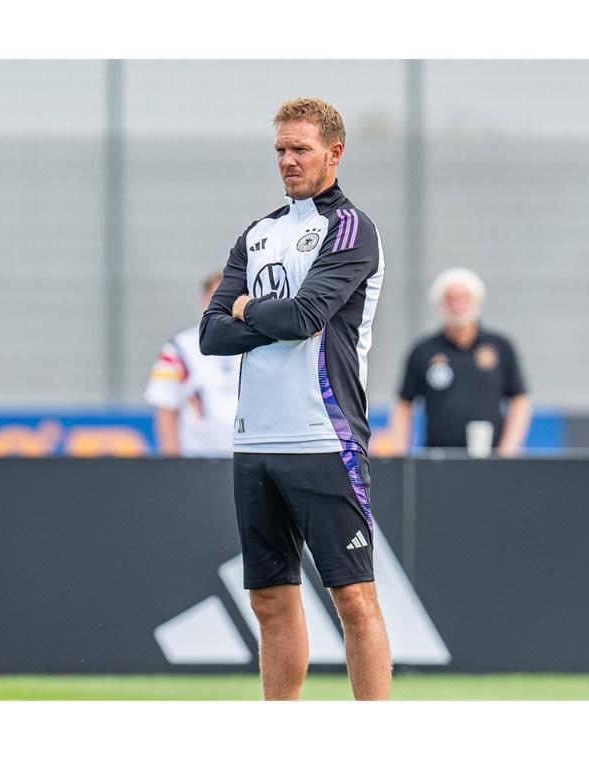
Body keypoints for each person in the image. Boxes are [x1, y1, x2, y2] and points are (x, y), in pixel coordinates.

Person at [199, 97, 390, 700]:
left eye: (300, 148)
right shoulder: (256, 234)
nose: (287, 160)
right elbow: (210, 334)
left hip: (322, 435)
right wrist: (267, 317)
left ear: (334, 153)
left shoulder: (350, 228)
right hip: (255, 439)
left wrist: (248, 307)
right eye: (280, 149)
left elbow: (307, 315)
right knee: (269, 599)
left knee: (353, 598)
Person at [388, 268, 533, 456]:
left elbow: (520, 400)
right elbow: (404, 404)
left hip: (490, 460)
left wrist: (508, 451)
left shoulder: (500, 347)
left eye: (463, 298)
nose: (457, 306)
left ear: (476, 302)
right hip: (437, 460)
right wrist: (400, 452)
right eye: (450, 299)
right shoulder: (423, 351)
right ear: (440, 304)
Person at [144, 273, 241, 458]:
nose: (226, 306)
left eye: (233, 298)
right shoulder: (178, 350)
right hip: (197, 459)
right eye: (219, 298)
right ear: (204, 301)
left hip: (247, 459)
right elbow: (165, 408)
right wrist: (173, 465)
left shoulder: (262, 345)